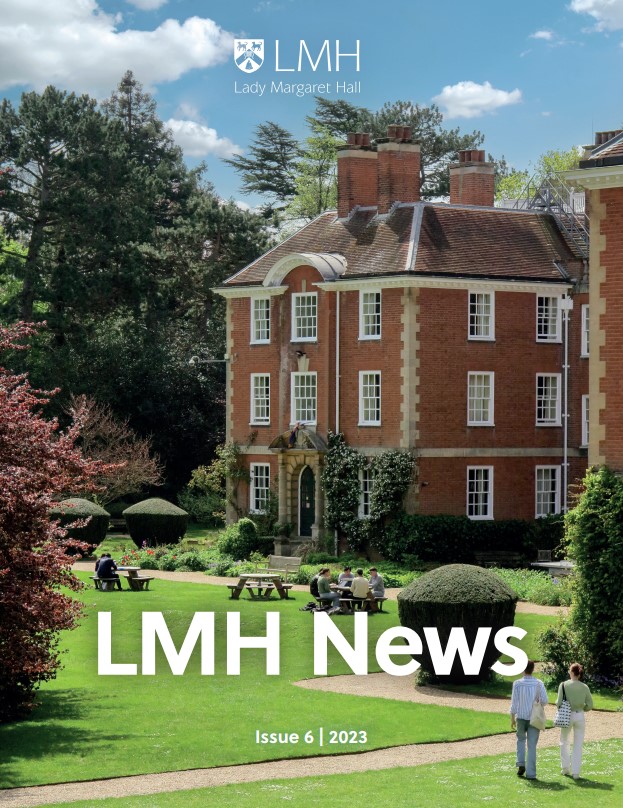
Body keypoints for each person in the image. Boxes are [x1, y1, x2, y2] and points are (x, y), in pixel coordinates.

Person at [510, 660, 548, 780]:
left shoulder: (517, 683)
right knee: (532, 745)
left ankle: (521, 763)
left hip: (521, 717)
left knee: (520, 740)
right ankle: (531, 774)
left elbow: (514, 703)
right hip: (534, 718)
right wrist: (537, 702)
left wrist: (512, 718)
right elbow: (545, 700)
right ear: (532, 669)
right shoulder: (539, 683)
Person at [557, 662, 593, 779]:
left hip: (567, 715)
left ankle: (565, 768)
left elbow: (558, 703)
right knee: (578, 744)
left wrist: (561, 708)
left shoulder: (563, 685)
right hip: (579, 715)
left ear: (572, 672)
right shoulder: (584, 687)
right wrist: (583, 708)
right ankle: (576, 772)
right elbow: (590, 705)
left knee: (564, 741)